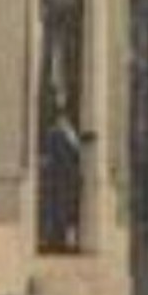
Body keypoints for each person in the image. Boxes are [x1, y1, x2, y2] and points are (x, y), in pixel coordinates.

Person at [41, 99, 82, 253]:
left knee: (68, 210)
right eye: (60, 117)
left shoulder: (72, 133)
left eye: (64, 117)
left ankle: (66, 241)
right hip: (58, 177)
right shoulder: (53, 133)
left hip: (69, 177)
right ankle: (56, 241)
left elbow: (77, 153)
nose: (62, 120)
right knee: (58, 210)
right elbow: (51, 155)